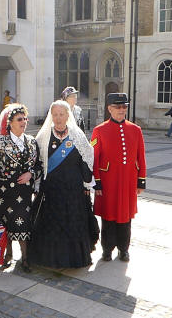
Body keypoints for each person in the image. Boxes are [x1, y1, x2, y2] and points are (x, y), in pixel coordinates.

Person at [29, 100, 94, 268]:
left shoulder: (77, 135)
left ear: (68, 115)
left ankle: (73, 259)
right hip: (51, 189)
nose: (58, 118)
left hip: (73, 189)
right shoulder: (43, 137)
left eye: (61, 114)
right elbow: (38, 163)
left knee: (72, 222)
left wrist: (87, 184)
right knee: (52, 222)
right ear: (51, 116)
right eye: (55, 115)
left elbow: (86, 160)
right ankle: (51, 259)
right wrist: (36, 185)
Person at [91, 93, 146, 262]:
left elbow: (141, 157)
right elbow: (94, 158)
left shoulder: (135, 130)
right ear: (109, 108)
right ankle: (107, 249)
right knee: (108, 216)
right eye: (118, 107)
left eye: (124, 107)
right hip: (108, 182)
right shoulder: (99, 130)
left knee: (125, 216)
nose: (122, 110)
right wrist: (97, 183)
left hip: (129, 181)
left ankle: (124, 249)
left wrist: (141, 181)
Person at [0, 104, 42, 272]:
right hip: (3, 193)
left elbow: (39, 165)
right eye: (20, 119)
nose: (24, 122)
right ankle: (7, 255)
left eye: (25, 119)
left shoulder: (32, 142)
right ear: (9, 122)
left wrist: (31, 174)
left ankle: (25, 258)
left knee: (23, 223)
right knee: (4, 224)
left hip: (24, 193)